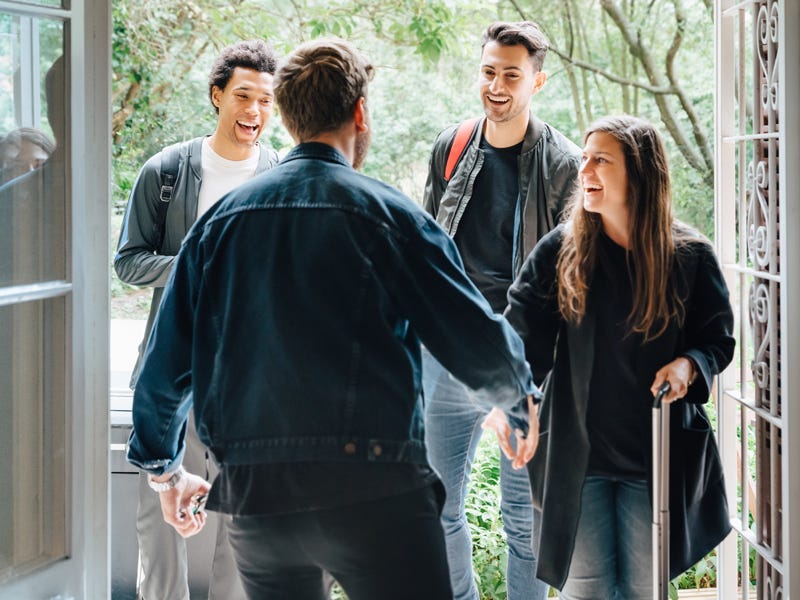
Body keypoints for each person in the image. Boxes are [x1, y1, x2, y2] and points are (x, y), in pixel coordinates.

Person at [126, 38, 541, 600]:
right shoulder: (392, 216)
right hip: (378, 492)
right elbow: (471, 332)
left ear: (289, 117)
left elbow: (164, 365)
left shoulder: (217, 227)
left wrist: (165, 470)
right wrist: (518, 399)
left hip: (260, 498)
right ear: (360, 113)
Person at [485, 115, 734, 598]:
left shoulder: (690, 256)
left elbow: (717, 340)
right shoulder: (562, 250)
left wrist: (688, 366)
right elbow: (519, 334)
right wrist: (511, 400)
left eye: (601, 160)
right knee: (589, 591)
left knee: (646, 590)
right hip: (580, 462)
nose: (586, 171)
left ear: (639, 172)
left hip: (657, 457)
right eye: (584, 159)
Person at [114, 39, 280, 600]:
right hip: (173, 370)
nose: (254, 111)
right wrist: (196, 263)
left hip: (250, 378)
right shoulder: (165, 172)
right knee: (159, 518)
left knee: (242, 522)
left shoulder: (282, 176)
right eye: (242, 96)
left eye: (264, 99)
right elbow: (129, 261)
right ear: (217, 96)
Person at [421, 20, 580, 600]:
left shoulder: (564, 165)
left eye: (511, 75)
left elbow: (567, 280)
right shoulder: (453, 145)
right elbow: (427, 247)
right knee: (438, 503)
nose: (496, 85)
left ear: (537, 81)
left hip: (521, 362)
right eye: (489, 72)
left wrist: (536, 376)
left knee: (524, 518)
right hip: (448, 352)